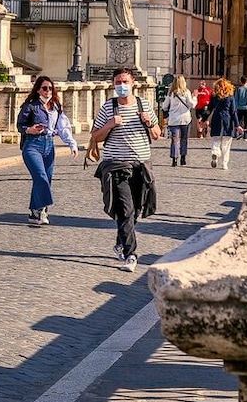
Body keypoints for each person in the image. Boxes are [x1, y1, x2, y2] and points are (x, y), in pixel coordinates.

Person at [89, 68, 161, 270]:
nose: (122, 86)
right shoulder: (108, 107)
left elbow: (156, 134)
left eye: (125, 82)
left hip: (141, 166)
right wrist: (111, 124)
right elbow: (96, 136)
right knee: (126, 209)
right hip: (116, 166)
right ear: (113, 84)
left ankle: (121, 243)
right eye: (118, 82)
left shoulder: (143, 105)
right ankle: (131, 254)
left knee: (136, 209)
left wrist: (148, 122)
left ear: (133, 83)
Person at [15, 76, 78, 226]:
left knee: (45, 179)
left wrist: (72, 144)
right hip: (32, 145)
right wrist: (29, 129)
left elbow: (63, 127)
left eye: (50, 88)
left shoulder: (56, 106)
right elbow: (20, 125)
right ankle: (43, 208)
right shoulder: (30, 106)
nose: (48, 91)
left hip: (49, 145)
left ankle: (35, 211)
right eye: (44, 88)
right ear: (38, 90)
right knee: (41, 176)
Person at [206, 75, 239, 171]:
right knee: (226, 144)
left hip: (216, 119)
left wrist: (204, 119)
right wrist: (237, 125)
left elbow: (209, 109)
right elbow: (233, 112)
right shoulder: (230, 98)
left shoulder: (214, 97)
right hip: (227, 121)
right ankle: (224, 164)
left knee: (216, 140)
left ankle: (215, 152)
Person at [162, 75, 195, 167]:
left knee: (174, 140)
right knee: (184, 139)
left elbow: (164, 106)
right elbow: (192, 105)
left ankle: (174, 159)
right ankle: (183, 157)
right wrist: (195, 98)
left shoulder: (171, 93)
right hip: (185, 119)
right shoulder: (186, 92)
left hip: (174, 119)